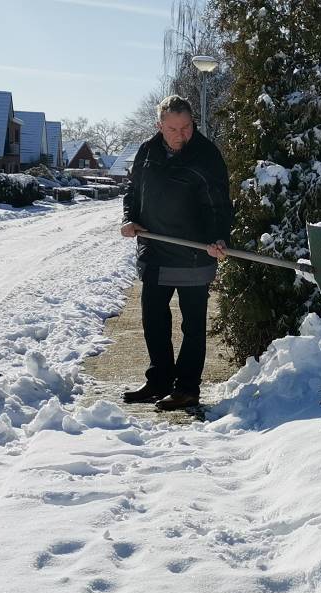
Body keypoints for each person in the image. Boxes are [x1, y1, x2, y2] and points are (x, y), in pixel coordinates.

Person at [120, 95, 232, 411]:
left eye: (186, 127)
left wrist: (219, 238)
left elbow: (220, 205)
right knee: (153, 319)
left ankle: (186, 389)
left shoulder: (206, 155)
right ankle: (158, 381)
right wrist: (130, 219)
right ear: (160, 126)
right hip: (154, 251)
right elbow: (133, 192)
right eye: (173, 128)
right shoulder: (146, 152)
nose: (181, 135)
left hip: (195, 254)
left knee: (192, 325)